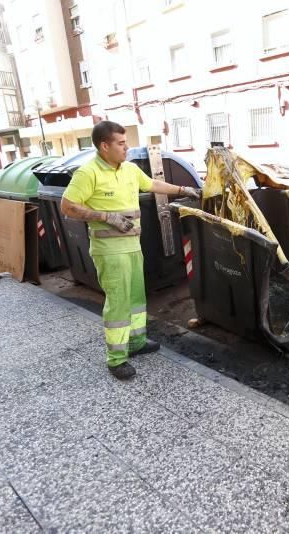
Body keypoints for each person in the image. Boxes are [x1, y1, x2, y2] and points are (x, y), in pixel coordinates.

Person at [61, 121, 200, 379]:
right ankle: (116, 358)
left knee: (136, 298)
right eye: (121, 143)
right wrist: (105, 216)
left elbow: (152, 185)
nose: (127, 148)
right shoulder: (88, 173)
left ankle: (136, 342)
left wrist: (183, 190)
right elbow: (67, 206)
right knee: (118, 304)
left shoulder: (129, 169)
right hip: (109, 250)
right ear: (105, 146)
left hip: (133, 246)